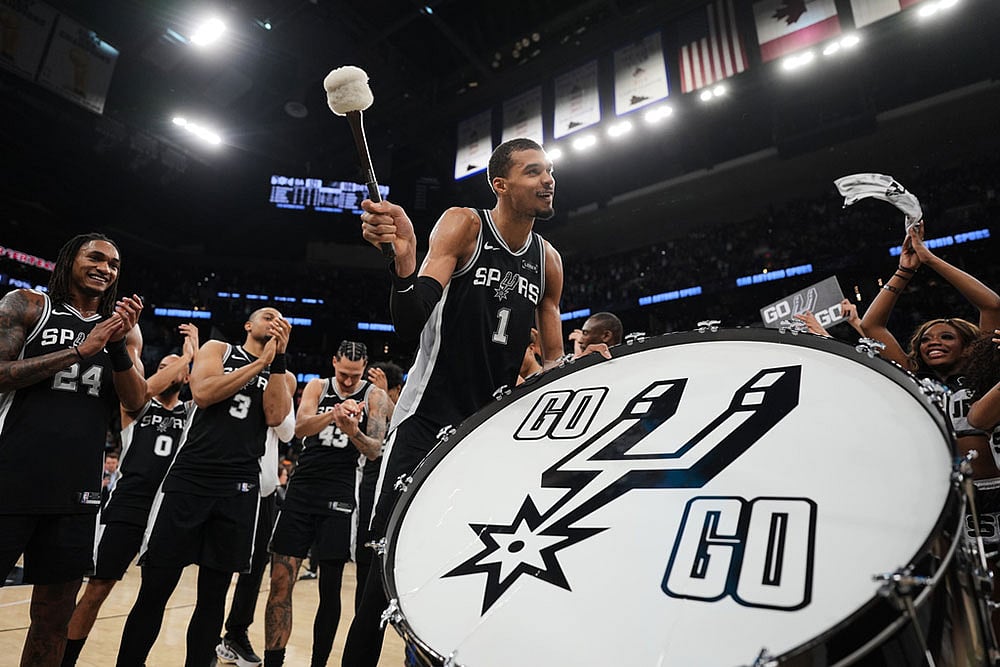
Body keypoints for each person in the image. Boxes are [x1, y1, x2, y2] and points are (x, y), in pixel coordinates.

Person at [342, 137, 565, 667]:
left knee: (464, 572)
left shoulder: (549, 260)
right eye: (534, 172)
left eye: (550, 172)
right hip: (425, 420)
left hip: (484, 436)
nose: (548, 180)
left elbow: (555, 364)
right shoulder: (465, 223)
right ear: (501, 185)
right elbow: (409, 318)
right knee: (381, 574)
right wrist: (403, 259)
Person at [116, 307, 296, 667]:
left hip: (239, 489)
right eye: (267, 315)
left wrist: (276, 363)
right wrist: (258, 365)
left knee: (213, 599)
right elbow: (203, 392)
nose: (274, 321)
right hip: (191, 480)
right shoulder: (219, 349)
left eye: (281, 318)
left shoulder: (285, 375)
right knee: (155, 590)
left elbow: (276, 417)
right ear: (248, 324)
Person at [0, 232, 145, 667]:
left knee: (53, 618)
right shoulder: (27, 305)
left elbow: (136, 402)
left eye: (115, 264)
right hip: (10, 474)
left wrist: (116, 344)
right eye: (96, 258)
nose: (106, 268)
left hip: (76, 489)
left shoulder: (124, 331)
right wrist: (79, 351)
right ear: (68, 260)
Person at [61, 323, 199, 666]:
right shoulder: (138, 406)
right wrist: (186, 357)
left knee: (153, 597)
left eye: (176, 368)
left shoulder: (193, 413)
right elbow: (144, 377)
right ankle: (65, 660)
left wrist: (192, 363)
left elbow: (206, 389)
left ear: (185, 378)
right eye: (163, 366)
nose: (168, 372)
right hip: (127, 506)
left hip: (166, 511)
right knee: (97, 589)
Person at [263, 341, 392, 667]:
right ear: (333, 362)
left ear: (364, 369)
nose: (348, 381)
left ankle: (318, 663)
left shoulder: (373, 396)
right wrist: (334, 414)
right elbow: (298, 428)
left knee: (330, 589)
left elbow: (375, 449)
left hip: (341, 495)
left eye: (355, 375)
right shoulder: (318, 386)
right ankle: (273, 660)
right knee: (280, 581)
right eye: (343, 374)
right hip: (302, 491)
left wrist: (352, 431)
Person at [860, 221, 1000, 482]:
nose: (933, 342)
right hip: (946, 500)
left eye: (947, 337)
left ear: (969, 347)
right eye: (925, 340)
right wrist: (904, 270)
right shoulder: (919, 379)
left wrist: (930, 259)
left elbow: (992, 306)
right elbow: (871, 325)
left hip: (993, 489)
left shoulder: (985, 373)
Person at [216, 402, 296, 667]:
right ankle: (208, 636)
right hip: (226, 480)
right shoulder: (231, 366)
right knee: (218, 564)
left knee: (255, 566)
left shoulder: (284, 378)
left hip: (264, 491)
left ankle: (236, 633)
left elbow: (286, 431)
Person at [355, 361, 404, 610]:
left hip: (396, 485)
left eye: (384, 390)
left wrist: (386, 397)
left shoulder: (407, 402)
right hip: (369, 482)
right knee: (365, 559)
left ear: (397, 389)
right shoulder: (365, 403)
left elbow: (403, 426)